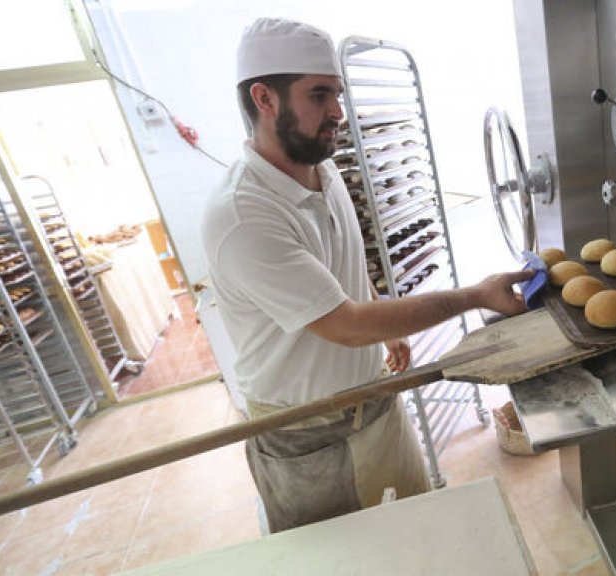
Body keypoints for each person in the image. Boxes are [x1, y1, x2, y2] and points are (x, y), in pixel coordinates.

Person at [201, 17, 533, 533]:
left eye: (338, 93)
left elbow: (343, 267)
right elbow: (345, 324)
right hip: (307, 432)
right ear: (264, 99)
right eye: (319, 96)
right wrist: (473, 296)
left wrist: (390, 320)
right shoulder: (243, 213)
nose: (338, 111)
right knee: (347, 558)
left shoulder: (322, 169)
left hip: (373, 401)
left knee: (415, 533)